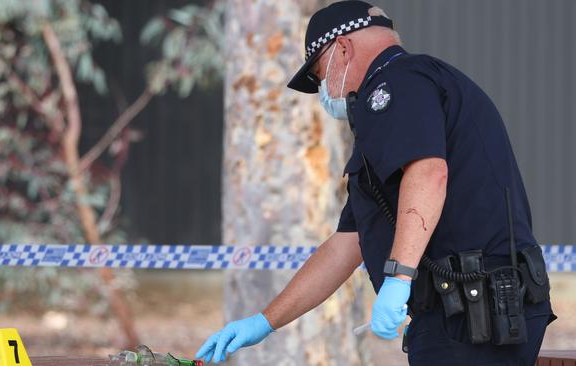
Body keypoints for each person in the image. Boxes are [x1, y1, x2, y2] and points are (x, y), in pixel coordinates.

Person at [195, 1, 555, 365]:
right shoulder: (415, 89)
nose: (327, 90)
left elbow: (429, 173)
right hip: (476, 310)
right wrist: (264, 322)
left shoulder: (394, 84)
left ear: (343, 49)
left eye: (321, 74)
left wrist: (398, 278)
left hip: (472, 313)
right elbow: (348, 242)